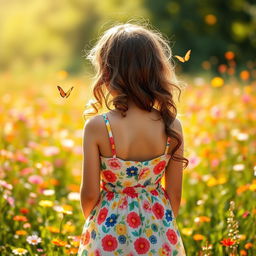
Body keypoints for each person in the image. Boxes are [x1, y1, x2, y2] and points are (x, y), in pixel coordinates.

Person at [78, 21, 189, 256]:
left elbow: (89, 195)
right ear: (157, 71)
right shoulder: (172, 126)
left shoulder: (98, 127)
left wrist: (97, 223)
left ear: (107, 73)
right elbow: (175, 196)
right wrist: (160, 223)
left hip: (107, 233)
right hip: (159, 231)